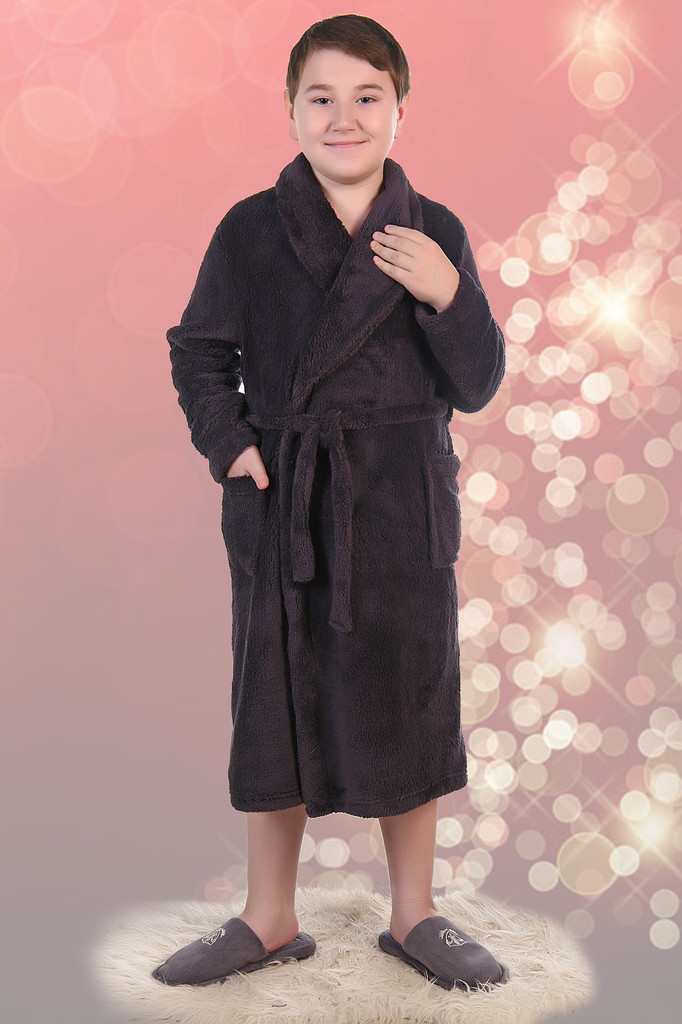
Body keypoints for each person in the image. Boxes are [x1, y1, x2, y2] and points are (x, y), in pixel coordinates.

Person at [152, 13, 509, 994]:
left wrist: (449, 294)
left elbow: (478, 381)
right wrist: (232, 446)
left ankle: (415, 912)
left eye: (366, 97)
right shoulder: (248, 230)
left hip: (401, 507)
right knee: (273, 697)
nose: (343, 117)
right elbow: (198, 350)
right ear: (290, 110)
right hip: (285, 502)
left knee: (408, 694)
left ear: (400, 109)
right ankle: (269, 915)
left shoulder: (434, 231)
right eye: (321, 97)